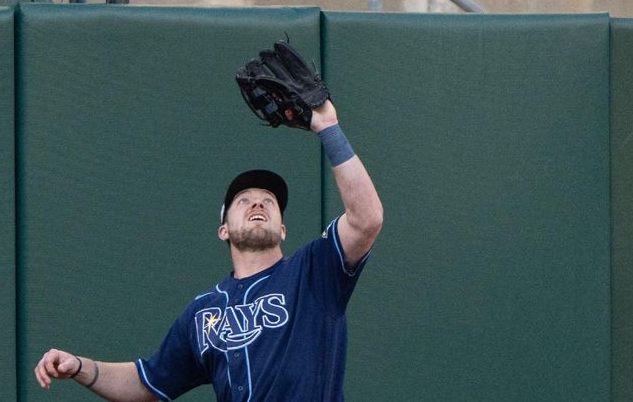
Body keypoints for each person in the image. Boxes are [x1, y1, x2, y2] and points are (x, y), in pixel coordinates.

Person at [34, 99, 383, 401]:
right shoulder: (203, 313)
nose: (257, 204)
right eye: (243, 200)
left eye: (268, 201)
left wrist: (328, 128)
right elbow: (148, 382)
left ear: (283, 229)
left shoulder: (313, 272)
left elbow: (366, 218)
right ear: (223, 230)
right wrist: (80, 367)